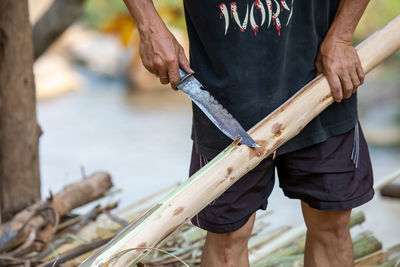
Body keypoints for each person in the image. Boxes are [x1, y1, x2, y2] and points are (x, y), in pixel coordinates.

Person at [123, 0, 374, 266]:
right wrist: (149, 27)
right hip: (224, 94)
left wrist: (342, 37)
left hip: (321, 77)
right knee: (228, 236)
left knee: (331, 221)